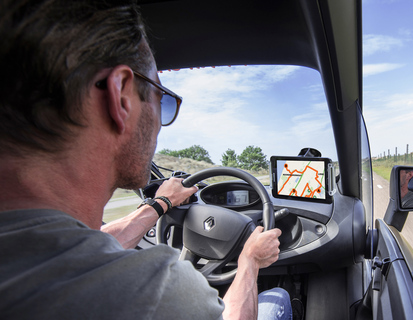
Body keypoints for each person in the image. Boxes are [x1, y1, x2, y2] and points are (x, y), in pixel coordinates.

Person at [0, 1, 291, 319]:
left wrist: (160, 204)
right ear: (121, 95)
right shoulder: (154, 292)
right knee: (276, 297)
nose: (160, 123)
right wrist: (249, 261)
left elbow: (95, 244)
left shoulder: (27, 250)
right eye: (161, 98)